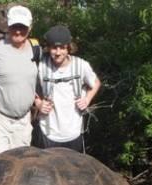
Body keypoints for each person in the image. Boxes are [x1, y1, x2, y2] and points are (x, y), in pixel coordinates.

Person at [32, 25, 101, 153]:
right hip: (48, 132)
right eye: (54, 48)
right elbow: (31, 88)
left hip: (74, 132)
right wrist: (39, 103)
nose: (58, 52)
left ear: (69, 48)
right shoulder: (41, 66)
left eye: (62, 48)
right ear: (48, 47)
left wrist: (87, 99)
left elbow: (96, 83)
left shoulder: (81, 65)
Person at [0, 5, 39, 156]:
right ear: (8, 25)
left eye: (22, 27)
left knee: (21, 167)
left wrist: (39, 101)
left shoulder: (36, 49)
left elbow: (38, 82)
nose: (18, 31)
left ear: (30, 27)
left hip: (24, 122)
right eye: (14, 26)